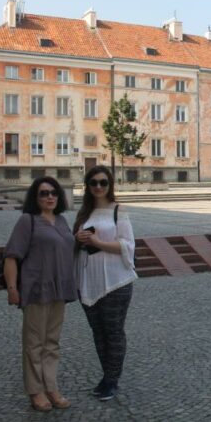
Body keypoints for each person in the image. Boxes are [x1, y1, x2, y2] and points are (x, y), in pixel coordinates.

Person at [3, 176, 76, 412]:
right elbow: (12, 256)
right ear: (36, 197)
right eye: (44, 193)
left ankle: (51, 387)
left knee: (52, 343)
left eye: (53, 192)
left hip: (59, 290)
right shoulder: (28, 221)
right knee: (34, 343)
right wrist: (13, 288)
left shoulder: (62, 221)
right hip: (35, 290)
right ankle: (36, 391)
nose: (50, 197)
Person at [73, 165, 137, 401]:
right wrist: (77, 239)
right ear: (88, 186)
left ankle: (112, 380)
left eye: (103, 182)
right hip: (88, 281)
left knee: (113, 331)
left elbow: (127, 245)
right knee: (98, 332)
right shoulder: (83, 214)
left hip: (115, 282)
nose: (98, 187)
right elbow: (76, 248)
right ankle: (105, 376)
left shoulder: (118, 211)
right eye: (93, 183)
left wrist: (98, 242)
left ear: (110, 185)